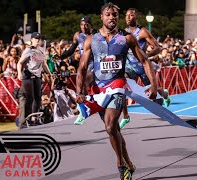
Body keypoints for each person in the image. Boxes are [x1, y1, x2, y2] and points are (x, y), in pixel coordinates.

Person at [75, 2, 158, 179]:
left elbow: (145, 61)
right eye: (108, 14)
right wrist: (79, 91)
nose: (112, 17)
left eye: (114, 15)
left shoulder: (127, 38)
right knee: (115, 131)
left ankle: (120, 166)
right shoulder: (92, 40)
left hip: (118, 86)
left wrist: (154, 85)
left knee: (110, 125)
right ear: (101, 17)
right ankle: (129, 163)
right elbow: (82, 68)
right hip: (98, 90)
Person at [119, 8, 171, 129]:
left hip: (142, 67)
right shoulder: (124, 32)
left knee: (153, 94)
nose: (128, 17)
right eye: (126, 15)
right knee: (121, 86)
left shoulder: (142, 32)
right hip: (129, 66)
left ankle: (164, 94)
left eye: (131, 15)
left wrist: (145, 56)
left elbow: (158, 48)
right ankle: (125, 116)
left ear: (136, 18)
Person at [60, 16, 97, 125]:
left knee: (85, 81)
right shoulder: (78, 36)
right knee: (81, 84)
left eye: (86, 24)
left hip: (95, 64)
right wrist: (61, 56)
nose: (83, 27)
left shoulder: (96, 35)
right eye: (81, 24)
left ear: (90, 25)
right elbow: (71, 50)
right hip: (83, 64)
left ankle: (87, 107)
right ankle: (84, 109)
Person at [17, 32, 52, 129]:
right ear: (32, 39)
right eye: (36, 39)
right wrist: (19, 73)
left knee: (37, 98)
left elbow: (44, 64)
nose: (38, 40)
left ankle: (33, 119)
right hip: (28, 75)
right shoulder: (28, 50)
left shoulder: (40, 50)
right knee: (29, 98)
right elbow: (20, 63)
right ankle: (24, 122)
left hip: (37, 76)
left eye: (39, 39)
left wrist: (49, 73)